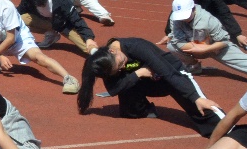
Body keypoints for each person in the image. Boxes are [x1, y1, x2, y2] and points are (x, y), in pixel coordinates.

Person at [76, 37, 222, 133]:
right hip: (146, 81)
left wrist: (196, 98)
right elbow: (114, 89)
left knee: (201, 109)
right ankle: (144, 109)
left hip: (172, 75)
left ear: (113, 51)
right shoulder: (106, 62)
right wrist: (138, 74)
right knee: (128, 110)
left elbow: (169, 74)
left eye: (121, 64)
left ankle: (226, 128)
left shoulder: (137, 47)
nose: (122, 67)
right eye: (118, 69)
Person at [164, 0, 247, 78]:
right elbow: (178, 41)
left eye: (185, 15)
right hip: (195, 47)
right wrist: (198, 48)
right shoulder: (174, 18)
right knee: (171, 45)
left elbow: (224, 41)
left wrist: (206, 48)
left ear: (193, 9)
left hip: (218, 48)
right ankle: (194, 67)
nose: (183, 19)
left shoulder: (208, 19)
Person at [17, 0, 98, 54]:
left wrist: (88, 38)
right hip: (46, 21)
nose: (38, 5)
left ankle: (100, 55)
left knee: (87, 47)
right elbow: (18, 12)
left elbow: (76, 19)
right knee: (20, 19)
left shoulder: (60, 0)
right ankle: (51, 33)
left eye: (40, 3)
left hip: (63, 25)